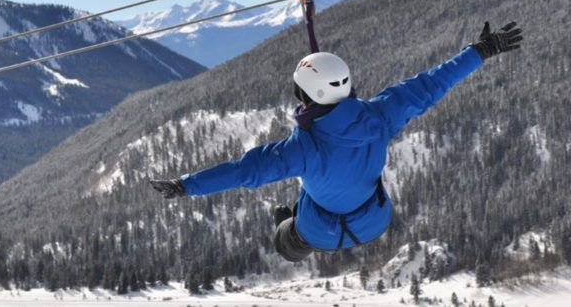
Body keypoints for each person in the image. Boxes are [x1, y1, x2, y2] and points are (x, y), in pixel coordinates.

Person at [150, 21, 522, 261]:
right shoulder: (383, 114)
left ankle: (287, 224)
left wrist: (186, 186)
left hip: (320, 231)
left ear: (307, 95)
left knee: (287, 242)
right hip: (375, 219)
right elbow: (432, 84)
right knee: (314, 203)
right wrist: (481, 51)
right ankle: (292, 220)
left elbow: (244, 171)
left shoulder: (302, 150)